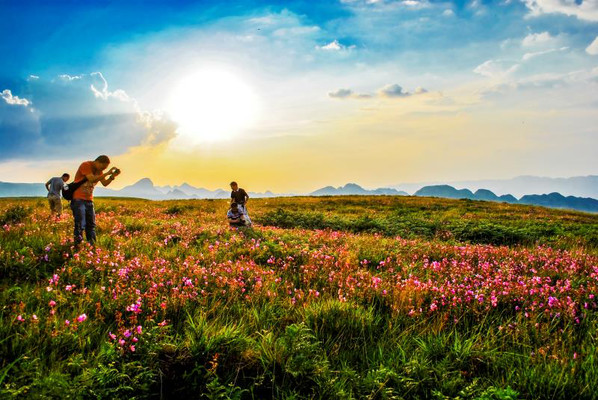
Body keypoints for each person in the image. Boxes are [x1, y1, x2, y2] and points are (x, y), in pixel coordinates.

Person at [71, 155, 120, 246]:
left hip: (89, 200)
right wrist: (107, 173)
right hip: (78, 199)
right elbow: (92, 179)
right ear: (97, 162)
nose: (104, 169)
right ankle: (77, 246)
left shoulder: (100, 171)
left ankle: (92, 246)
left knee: (91, 225)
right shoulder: (86, 165)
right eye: (103, 167)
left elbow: (105, 183)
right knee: (80, 224)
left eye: (105, 168)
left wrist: (112, 176)